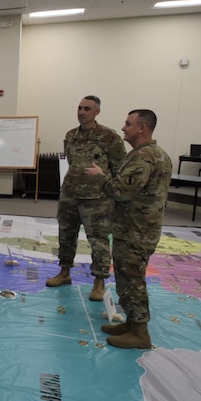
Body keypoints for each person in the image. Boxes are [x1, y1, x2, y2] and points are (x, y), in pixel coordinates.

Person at [85, 109, 172, 349]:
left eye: (128, 124)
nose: (123, 128)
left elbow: (121, 192)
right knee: (128, 279)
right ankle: (132, 325)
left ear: (142, 128)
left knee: (132, 281)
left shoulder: (143, 157)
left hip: (135, 231)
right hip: (140, 229)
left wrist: (100, 177)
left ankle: (140, 333)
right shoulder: (157, 154)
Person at [46, 95, 126, 301]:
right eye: (80, 108)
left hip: (97, 198)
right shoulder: (71, 135)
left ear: (97, 112)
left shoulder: (110, 137)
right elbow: (72, 162)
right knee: (66, 235)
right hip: (70, 195)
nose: (82, 112)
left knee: (98, 241)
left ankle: (99, 281)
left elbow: (119, 168)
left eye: (87, 109)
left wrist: (112, 194)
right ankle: (64, 272)